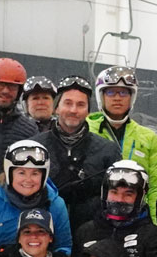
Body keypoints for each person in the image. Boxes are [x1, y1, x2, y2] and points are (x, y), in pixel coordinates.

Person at [0, 139, 74, 257]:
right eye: (21, 173)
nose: (28, 180)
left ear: (44, 176)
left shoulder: (55, 204)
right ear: (9, 174)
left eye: (35, 173)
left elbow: (64, 246)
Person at [38, 75, 121, 231]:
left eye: (81, 104)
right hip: (41, 231)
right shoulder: (36, 146)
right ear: (56, 107)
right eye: (68, 103)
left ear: (88, 111)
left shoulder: (108, 151)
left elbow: (117, 198)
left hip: (92, 233)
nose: (73, 110)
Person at [91, 65, 157, 207]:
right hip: (94, 213)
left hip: (136, 213)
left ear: (132, 97)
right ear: (100, 96)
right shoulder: (87, 131)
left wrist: (154, 219)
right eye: (110, 92)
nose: (117, 98)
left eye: (123, 93)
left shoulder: (148, 138)